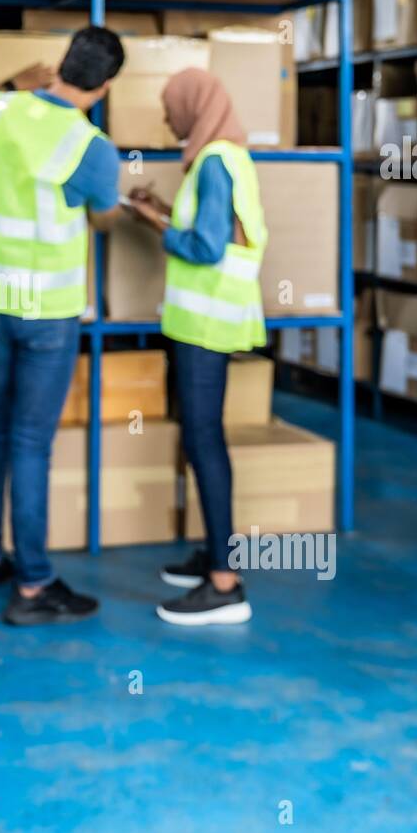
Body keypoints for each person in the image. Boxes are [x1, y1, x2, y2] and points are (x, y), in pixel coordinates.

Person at [0, 26, 127, 626]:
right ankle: (34, 586)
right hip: (47, 312)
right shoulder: (91, 146)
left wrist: (9, 84)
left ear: (60, 65)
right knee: (30, 444)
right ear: (105, 86)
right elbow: (104, 220)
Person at [128, 67, 268, 627]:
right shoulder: (226, 155)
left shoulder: (213, 163)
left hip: (205, 326)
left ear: (194, 106)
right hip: (204, 322)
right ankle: (214, 555)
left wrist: (153, 225)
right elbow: (220, 233)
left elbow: (207, 247)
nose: (167, 119)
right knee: (198, 436)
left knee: (204, 442)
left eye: (172, 108)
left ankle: (224, 584)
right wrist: (160, 212)